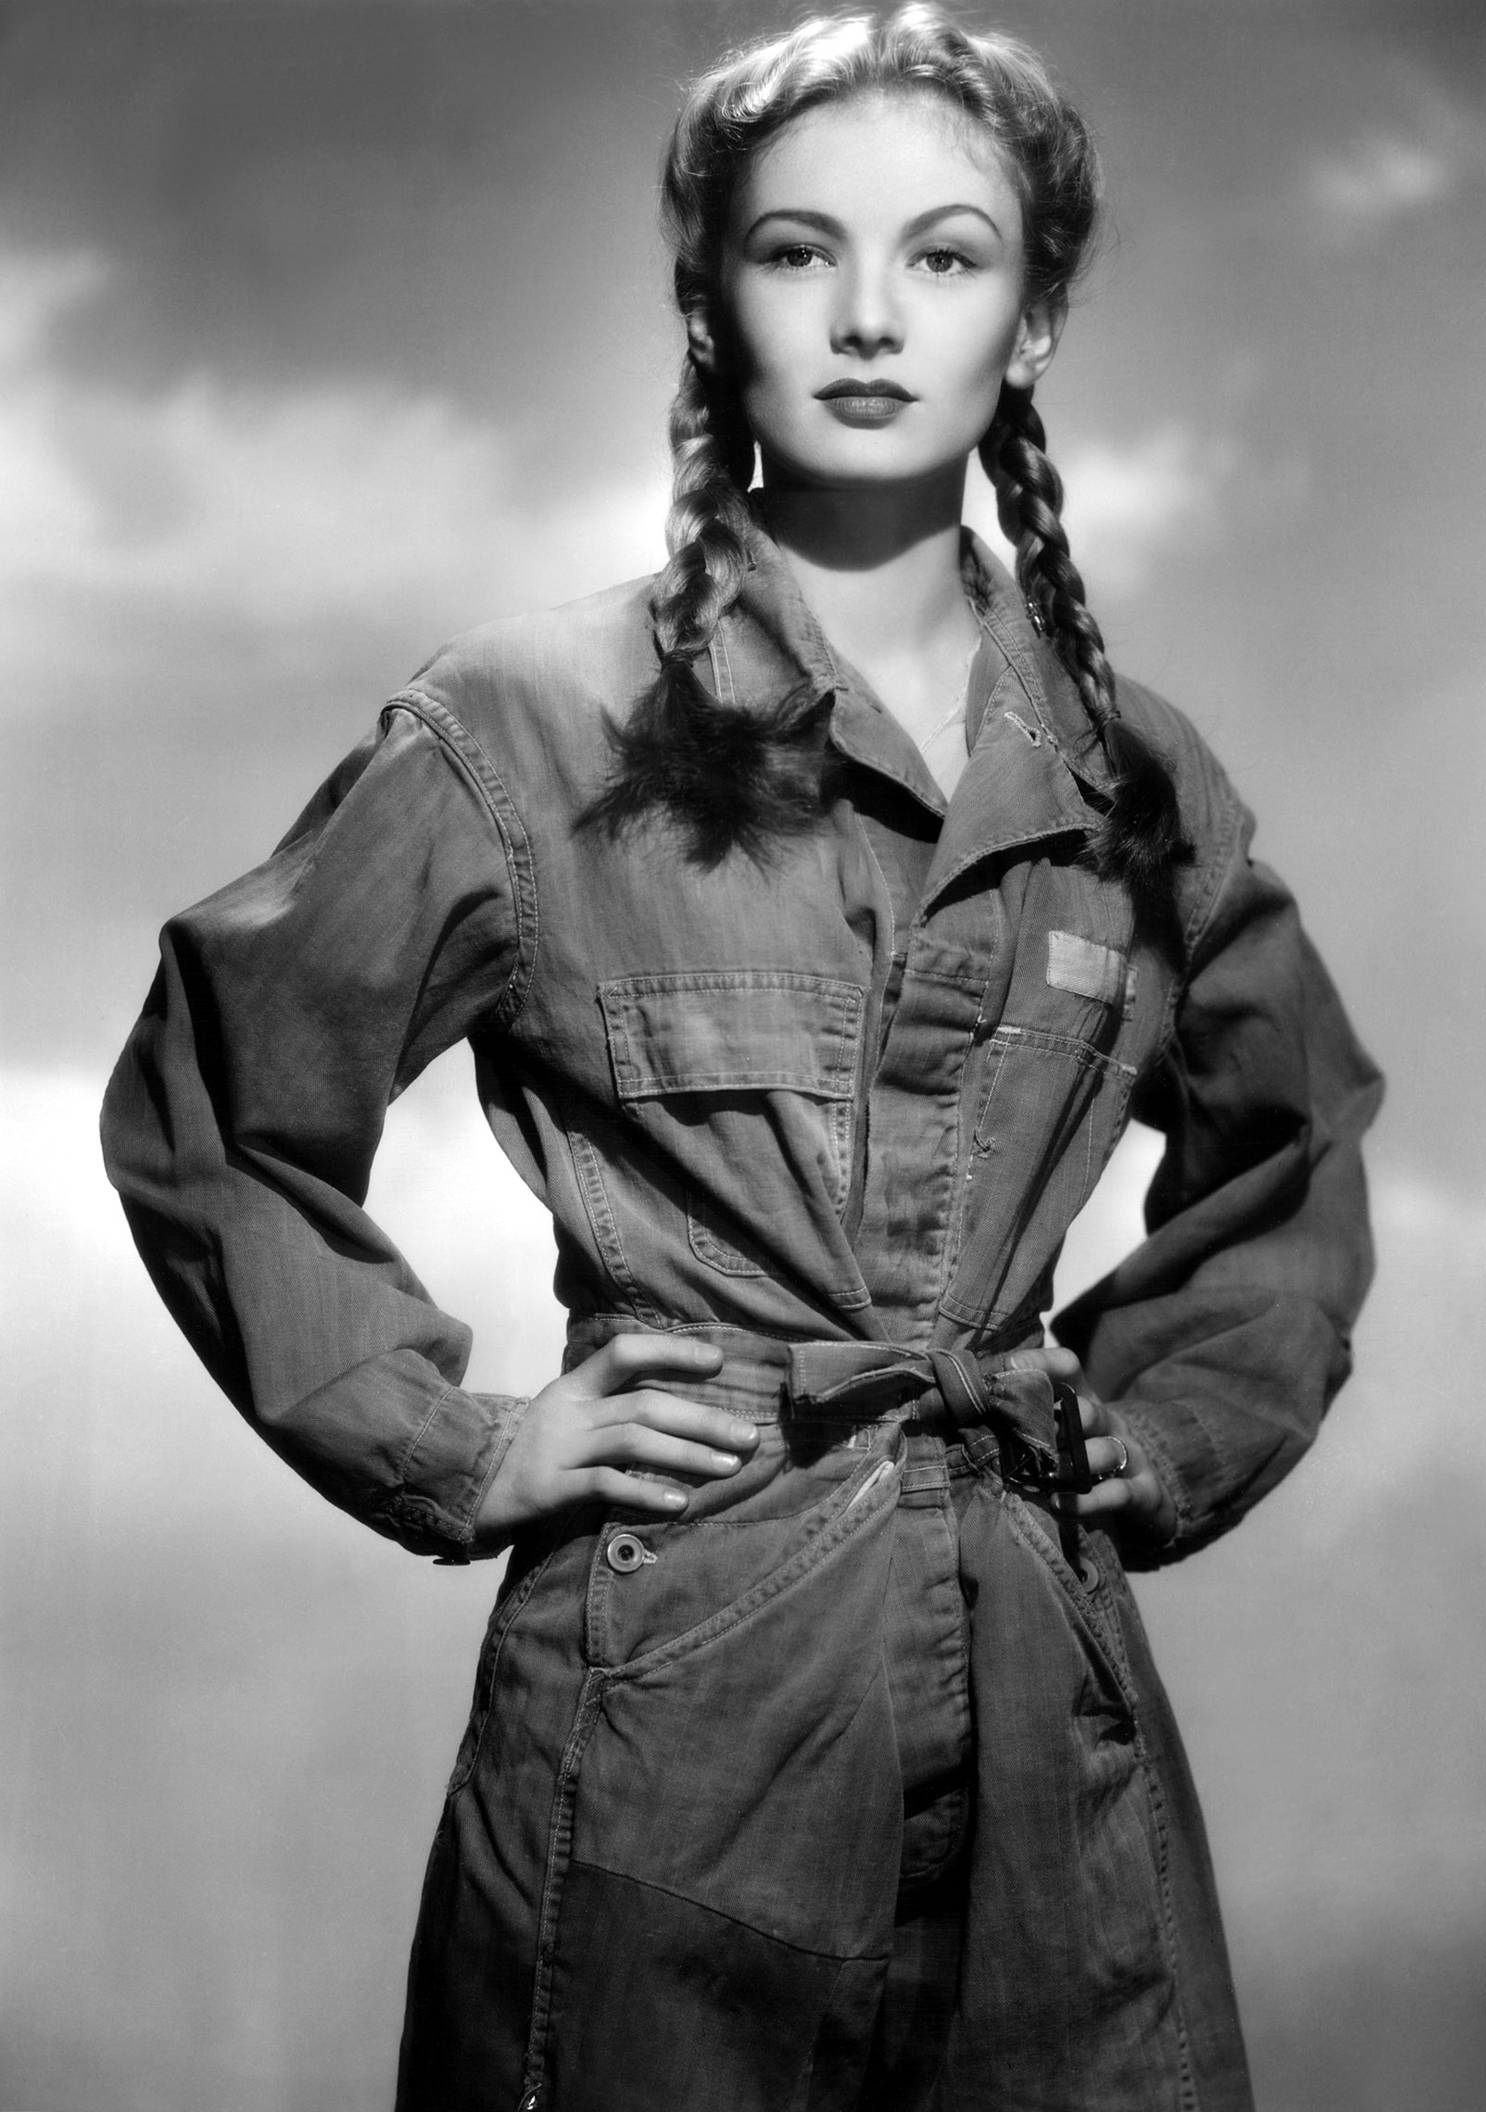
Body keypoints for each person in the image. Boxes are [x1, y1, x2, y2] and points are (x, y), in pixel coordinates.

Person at [101, 7, 1382, 2108]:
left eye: (945, 255)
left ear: (1036, 318)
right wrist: (458, 1446)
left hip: (1051, 1723)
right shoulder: (525, 729)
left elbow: (1293, 1147)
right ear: (708, 300)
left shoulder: (1133, 781)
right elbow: (219, 1105)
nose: (870, 315)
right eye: (799, 252)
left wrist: (1166, 1428)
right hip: (674, 1703)